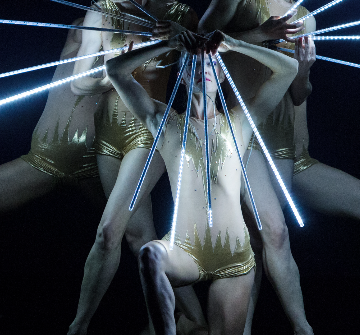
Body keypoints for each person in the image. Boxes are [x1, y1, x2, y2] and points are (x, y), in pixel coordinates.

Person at [0, 0, 187, 335]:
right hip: (49, 159)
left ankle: (185, 316)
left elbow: (158, 6)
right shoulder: (89, 24)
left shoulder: (130, 33)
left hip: (94, 157)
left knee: (137, 237)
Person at [201, 0, 360, 335]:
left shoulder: (304, 18)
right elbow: (200, 41)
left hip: (282, 144)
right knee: (265, 235)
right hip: (237, 134)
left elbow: (297, 95)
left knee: (263, 240)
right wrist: (262, 33)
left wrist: (305, 70)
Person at [106, 29, 299, 335]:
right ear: (182, 75)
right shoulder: (163, 122)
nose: (202, 70)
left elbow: (289, 68)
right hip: (185, 251)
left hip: (234, 256)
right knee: (150, 256)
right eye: (192, 64)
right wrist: (167, 44)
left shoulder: (240, 122)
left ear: (222, 75)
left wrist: (234, 43)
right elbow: (115, 70)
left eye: (210, 64)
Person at [66, 0, 203, 335]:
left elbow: (201, 83)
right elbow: (76, 83)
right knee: (136, 235)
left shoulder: (180, 15)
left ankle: (77, 327)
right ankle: (191, 319)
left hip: (150, 131)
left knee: (108, 231)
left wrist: (180, 43)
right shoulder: (103, 11)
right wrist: (116, 72)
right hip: (110, 132)